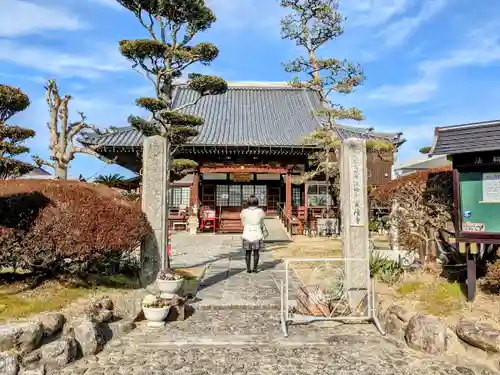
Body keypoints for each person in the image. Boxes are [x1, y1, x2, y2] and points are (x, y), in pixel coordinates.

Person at [240, 195, 266, 273]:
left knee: (247, 252)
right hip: (257, 233)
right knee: (256, 252)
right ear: (257, 202)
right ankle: (255, 268)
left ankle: (248, 268)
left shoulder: (244, 211)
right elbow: (262, 223)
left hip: (247, 233)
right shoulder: (261, 211)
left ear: (248, 202)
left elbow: (243, 223)